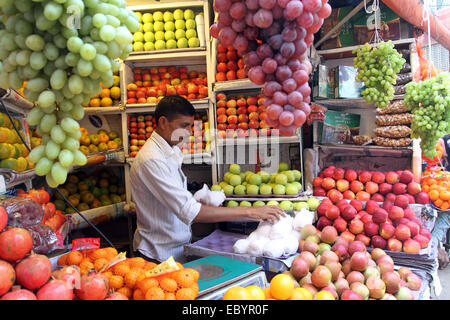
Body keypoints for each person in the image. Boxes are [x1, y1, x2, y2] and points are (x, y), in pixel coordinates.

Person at [130, 95, 285, 263]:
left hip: (174, 249)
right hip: (157, 254)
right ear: (163, 122)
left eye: (190, 126)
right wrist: (251, 211)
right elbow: (190, 211)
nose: (189, 133)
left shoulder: (171, 150)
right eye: (184, 126)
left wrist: (201, 202)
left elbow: (175, 201)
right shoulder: (152, 159)